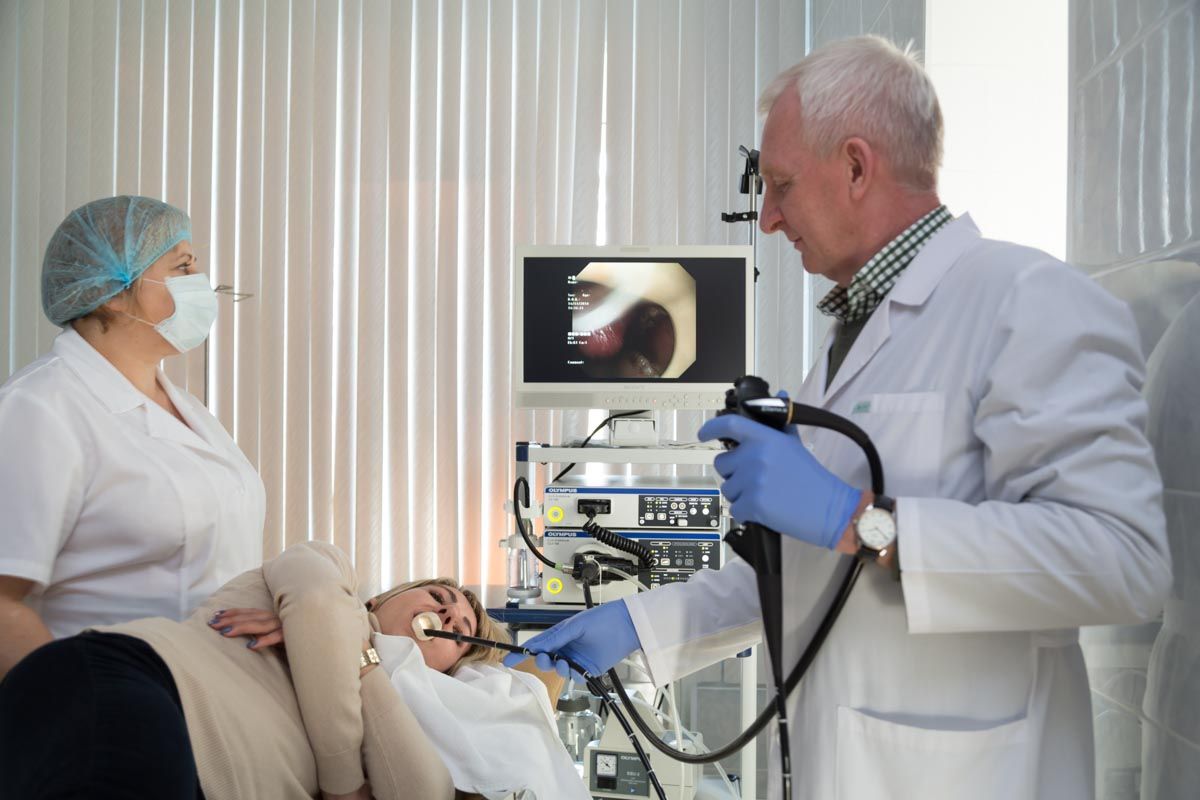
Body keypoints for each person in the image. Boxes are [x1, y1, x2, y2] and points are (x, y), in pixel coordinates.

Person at [507, 35, 1173, 799]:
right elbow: (811, 578)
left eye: (782, 184)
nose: (768, 218)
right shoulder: (848, 339)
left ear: (856, 166)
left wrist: (861, 521)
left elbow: (1121, 563)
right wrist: (637, 626)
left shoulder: (1028, 300)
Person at [0, 540, 518, 800]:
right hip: (144, 692)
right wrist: (343, 786)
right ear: (383, 597)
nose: (447, 616)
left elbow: (422, 793)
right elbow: (316, 601)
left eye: (461, 631)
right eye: (439, 597)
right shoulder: (332, 570)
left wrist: (359, 657)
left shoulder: (402, 714)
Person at [0, 195, 265, 678]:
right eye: (183, 266)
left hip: (218, 694)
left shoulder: (187, 409)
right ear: (112, 291)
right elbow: (3, 604)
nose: (202, 282)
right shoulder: (38, 408)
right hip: (116, 701)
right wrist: (82, 709)